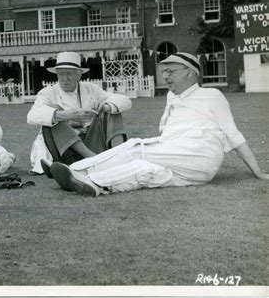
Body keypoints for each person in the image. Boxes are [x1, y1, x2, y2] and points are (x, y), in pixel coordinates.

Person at [46, 52, 268, 197]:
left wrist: (258, 172)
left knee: (137, 149)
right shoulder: (172, 98)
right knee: (145, 169)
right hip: (182, 162)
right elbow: (166, 135)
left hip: (200, 154)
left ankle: (74, 170)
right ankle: (91, 184)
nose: (166, 76)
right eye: (164, 72)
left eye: (171, 71)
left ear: (190, 73)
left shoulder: (212, 95)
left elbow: (234, 134)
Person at [27, 51, 132, 173]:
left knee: (113, 109)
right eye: (61, 74)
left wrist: (105, 107)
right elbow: (31, 116)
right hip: (67, 149)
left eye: (69, 74)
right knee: (54, 115)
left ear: (79, 75)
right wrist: (66, 115)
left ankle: (117, 156)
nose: (65, 79)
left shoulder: (90, 89)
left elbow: (125, 100)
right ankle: (94, 159)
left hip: (91, 140)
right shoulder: (48, 92)